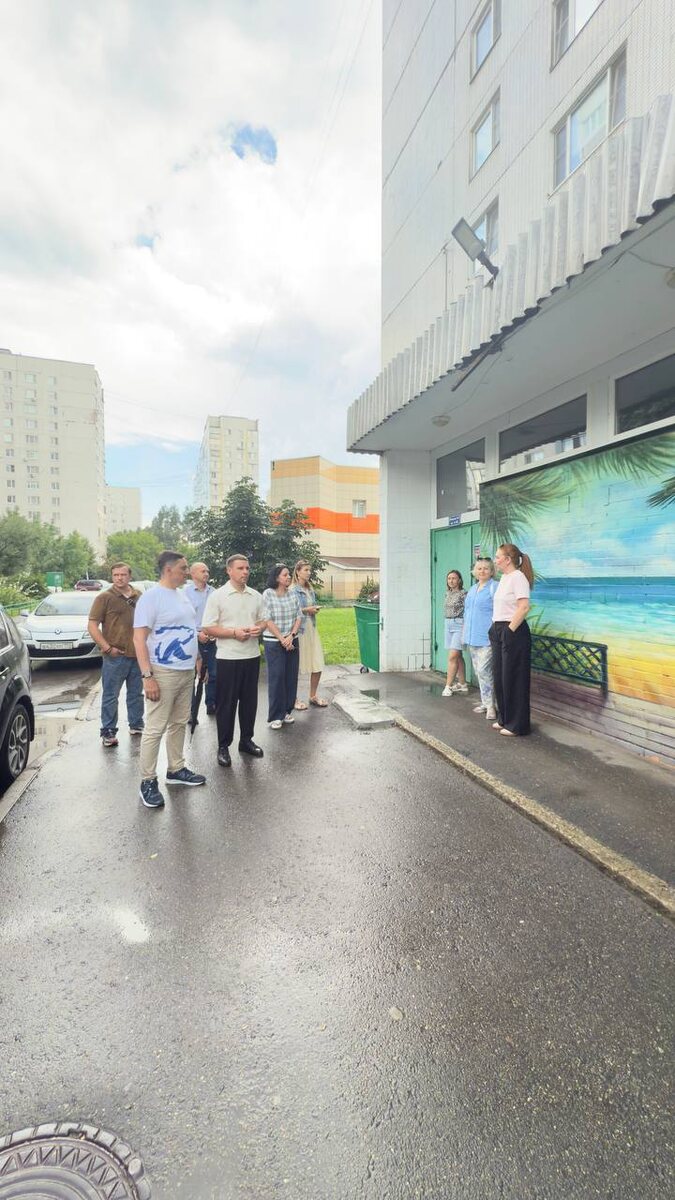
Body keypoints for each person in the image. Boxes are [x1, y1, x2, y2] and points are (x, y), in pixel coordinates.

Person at [133, 551, 206, 808]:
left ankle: (176, 769)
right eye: (183, 568)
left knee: (178, 723)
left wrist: (197, 659)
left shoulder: (181, 595)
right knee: (155, 728)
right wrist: (147, 676)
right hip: (162, 672)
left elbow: (189, 630)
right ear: (168, 569)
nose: (187, 572)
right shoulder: (151, 598)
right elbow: (139, 639)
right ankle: (147, 781)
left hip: (186, 671)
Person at [201, 554, 266, 767]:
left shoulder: (255, 595)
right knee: (226, 704)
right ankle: (223, 746)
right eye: (240, 568)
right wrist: (233, 633)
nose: (245, 572)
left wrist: (259, 628)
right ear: (229, 570)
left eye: (247, 568)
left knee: (249, 702)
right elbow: (208, 627)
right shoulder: (218, 596)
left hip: (251, 656)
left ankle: (246, 740)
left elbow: (263, 620)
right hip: (228, 657)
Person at [87, 563, 144, 747]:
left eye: (123, 574)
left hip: (137, 655)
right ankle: (108, 731)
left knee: (136, 694)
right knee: (111, 695)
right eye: (116, 575)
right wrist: (107, 648)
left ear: (129, 576)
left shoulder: (139, 596)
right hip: (114, 656)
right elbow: (92, 626)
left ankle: (137, 724)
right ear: (112, 577)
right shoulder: (104, 597)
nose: (119, 578)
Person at [489, 542, 534, 737]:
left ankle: (517, 725)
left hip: (513, 630)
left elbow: (524, 607)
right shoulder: (505, 578)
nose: (495, 560)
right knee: (500, 677)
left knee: (514, 677)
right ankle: (505, 718)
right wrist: (495, 629)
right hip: (499, 629)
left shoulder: (518, 577)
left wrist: (509, 630)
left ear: (508, 560)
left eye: (498, 557)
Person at [261, 564, 303, 729]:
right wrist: (282, 638)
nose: (288, 577)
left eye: (288, 575)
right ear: (277, 577)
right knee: (277, 677)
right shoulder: (268, 594)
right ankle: (276, 715)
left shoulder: (292, 593)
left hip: (292, 640)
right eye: (285, 575)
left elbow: (299, 616)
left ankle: (286, 711)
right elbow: (267, 618)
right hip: (274, 641)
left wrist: (291, 636)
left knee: (290, 677)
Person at [462, 558, 499, 721]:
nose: (482, 571)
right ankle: (486, 702)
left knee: (484, 671)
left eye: (486, 568)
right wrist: (464, 635)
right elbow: (467, 613)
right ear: (474, 572)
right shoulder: (472, 589)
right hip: (472, 637)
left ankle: (491, 706)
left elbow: (501, 610)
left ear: (491, 571)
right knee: (479, 672)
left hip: (487, 638)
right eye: (479, 568)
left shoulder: (494, 587)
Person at [290, 559, 327, 709]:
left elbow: (310, 607)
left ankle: (313, 696)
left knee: (317, 663)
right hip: (300, 631)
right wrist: (308, 610)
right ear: (298, 572)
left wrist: (314, 609)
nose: (309, 573)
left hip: (312, 629)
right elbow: (291, 610)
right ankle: (293, 699)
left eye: (309, 570)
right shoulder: (292, 590)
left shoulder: (310, 589)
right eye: (305, 570)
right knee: (295, 667)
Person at [184, 561, 217, 718]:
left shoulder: (214, 592)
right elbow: (183, 619)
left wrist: (215, 632)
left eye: (207, 571)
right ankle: (191, 711)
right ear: (193, 573)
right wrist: (197, 634)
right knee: (191, 675)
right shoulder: (185, 593)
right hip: (193, 637)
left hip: (212, 637)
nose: (206, 574)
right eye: (203, 571)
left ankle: (212, 704)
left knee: (214, 673)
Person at [442, 569, 468, 697]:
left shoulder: (464, 594)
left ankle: (448, 686)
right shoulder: (447, 593)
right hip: (448, 624)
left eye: (454, 578)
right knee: (458, 656)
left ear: (459, 580)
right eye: (449, 578)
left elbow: (468, 610)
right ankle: (462, 684)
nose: (451, 581)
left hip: (459, 624)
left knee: (452, 656)